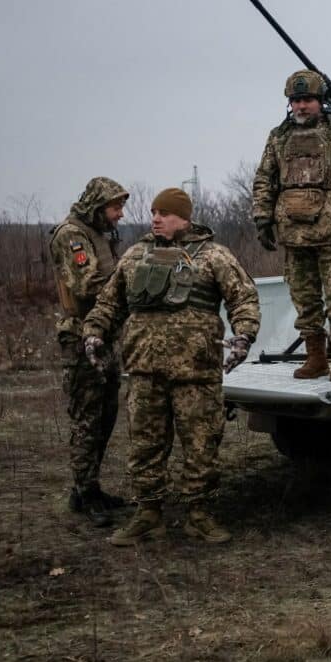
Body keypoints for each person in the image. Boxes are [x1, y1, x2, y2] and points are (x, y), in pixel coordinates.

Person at [82, 188, 260, 546]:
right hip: (146, 371)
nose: (155, 218)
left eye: (164, 213)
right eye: (153, 212)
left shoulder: (213, 256)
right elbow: (108, 303)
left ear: (184, 217)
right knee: (144, 445)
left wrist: (244, 336)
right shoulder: (135, 257)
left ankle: (200, 515)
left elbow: (243, 298)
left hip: (195, 372)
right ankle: (148, 514)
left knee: (200, 444)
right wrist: (94, 333)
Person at [252, 69, 331, 382]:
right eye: (296, 100)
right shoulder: (278, 137)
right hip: (294, 236)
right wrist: (263, 218)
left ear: (319, 101)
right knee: (304, 302)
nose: (301, 106)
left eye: (307, 99)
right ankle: (316, 358)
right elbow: (265, 178)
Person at [49, 177, 130, 527]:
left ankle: (91, 486)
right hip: (81, 336)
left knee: (106, 413)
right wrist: (132, 284)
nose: (120, 215)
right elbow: (87, 284)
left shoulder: (101, 232)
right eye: (115, 208)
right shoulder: (72, 235)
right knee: (87, 417)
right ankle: (84, 492)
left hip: (105, 334)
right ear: (98, 206)